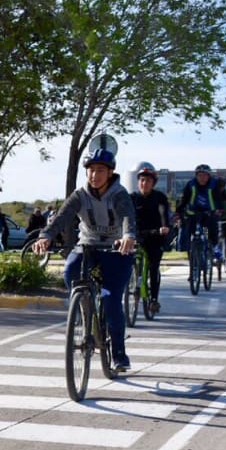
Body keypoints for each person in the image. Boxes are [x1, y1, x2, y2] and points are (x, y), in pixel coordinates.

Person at [32, 144, 136, 371]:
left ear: (110, 173)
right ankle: (84, 306)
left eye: (100, 170)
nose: (94, 175)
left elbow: (128, 216)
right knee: (70, 270)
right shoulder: (80, 195)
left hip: (117, 250)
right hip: (88, 246)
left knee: (111, 299)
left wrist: (128, 236)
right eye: (90, 170)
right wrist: (45, 236)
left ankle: (118, 353)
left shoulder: (119, 194)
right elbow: (61, 217)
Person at [131, 162, 170, 312]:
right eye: (142, 180)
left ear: (153, 183)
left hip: (155, 235)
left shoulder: (159, 197)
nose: (144, 183)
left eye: (148, 180)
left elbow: (163, 213)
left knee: (153, 267)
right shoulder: (132, 198)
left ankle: (154, 299)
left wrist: (164, 227)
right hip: (136, 236)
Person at [177, 164, 225, 261]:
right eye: (199, 175)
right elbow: (184, 199)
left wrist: (220, 209)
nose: (202, 178)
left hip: (209, 212)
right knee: (189, 233)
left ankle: (215, 248)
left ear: (208, 176)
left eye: (205, 175)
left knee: (213, 227)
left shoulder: (214, 184)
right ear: (196, 176)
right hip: (193, 212)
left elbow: (218, 198)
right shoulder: (190, 184)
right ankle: (191, 259)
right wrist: (178, 211)